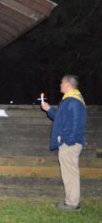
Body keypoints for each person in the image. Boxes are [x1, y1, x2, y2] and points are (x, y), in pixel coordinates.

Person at [41, 75, 87, 212]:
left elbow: (77, 124)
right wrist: (49, 109)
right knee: (68, 173)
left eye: (61, 82)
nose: (60, 85)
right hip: (68, 142)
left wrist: (69, 141)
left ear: (68, 85)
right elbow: (60, 120)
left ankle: (72, 204)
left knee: (70, 173)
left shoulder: (73, 101)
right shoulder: (70, 100)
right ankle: (71, 202)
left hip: (70, 143)